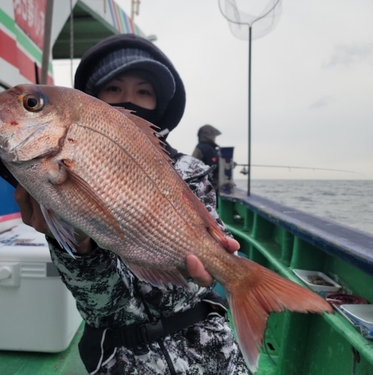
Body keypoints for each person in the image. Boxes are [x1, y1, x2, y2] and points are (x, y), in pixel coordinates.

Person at [13, 34, 249, 374]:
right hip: (121, 359)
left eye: (143, 91)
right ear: (89, 104)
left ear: (160, 103)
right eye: (113, 90)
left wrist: (218, 267)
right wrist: (73, 243)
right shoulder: (59, 166)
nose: (128, 100)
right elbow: (100, 307)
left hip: (208, 348)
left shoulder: (192, 172)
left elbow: (202, 264)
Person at [192, 125, 222, 191]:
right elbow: (214, 168)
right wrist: (225, 165)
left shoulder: (200, 147)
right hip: (208, 189)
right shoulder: (208, 150)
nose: (215, 138)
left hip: (199, 187)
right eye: (214, 136)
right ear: (209, 136)